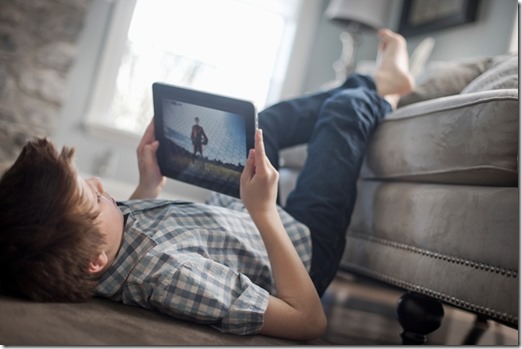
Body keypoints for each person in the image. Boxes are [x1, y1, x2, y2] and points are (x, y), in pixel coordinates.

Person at [0, 29, 413, 341]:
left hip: (241, 215)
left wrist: (149, 186)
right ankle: (385, 89)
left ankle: (370, 87)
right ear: (94, 261)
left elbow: (127, 240)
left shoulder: (98, 253)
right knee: (342, 113)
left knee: (257, 127)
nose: (97, 184)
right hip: (300, 250)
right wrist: (264, 212)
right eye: (91, 195)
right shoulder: (172, 276)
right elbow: (308, 320)